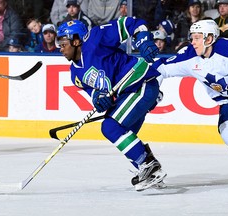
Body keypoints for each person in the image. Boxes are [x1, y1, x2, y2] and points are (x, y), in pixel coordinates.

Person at [153, 19, 228, 189]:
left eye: (196, 38)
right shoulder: (189, 55)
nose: (192, 42)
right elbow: (161, 67)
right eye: (191, 37)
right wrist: (152, 89)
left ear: (209, 39)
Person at [56, 18, 166, 191]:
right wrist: (98, 99)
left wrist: (144, 40)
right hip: (126, 94)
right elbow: (94, 93)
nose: (60, 49)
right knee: (125, 135)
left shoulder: (96, 39)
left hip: (141, 84)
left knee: (110, 127)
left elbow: (131, 23)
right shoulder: (75, 74)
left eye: (63, 43)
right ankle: (150, 174)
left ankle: (149, 165)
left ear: (76, 41)